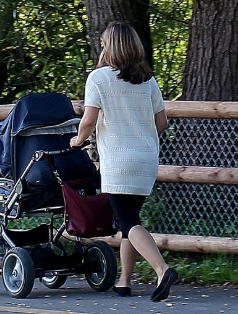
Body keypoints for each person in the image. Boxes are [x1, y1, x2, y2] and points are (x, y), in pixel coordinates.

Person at [70, 21, 178, 302]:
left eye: (104, 43)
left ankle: (162, 269)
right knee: (129, 219)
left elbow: (89, 120)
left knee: (128, 222)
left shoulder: (98, 78)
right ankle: (124, 281)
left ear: (111, 47)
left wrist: (77, 141)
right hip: (146, 159)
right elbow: (162, 122)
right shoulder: (148, 80)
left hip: (118, 161)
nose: (102, 47)